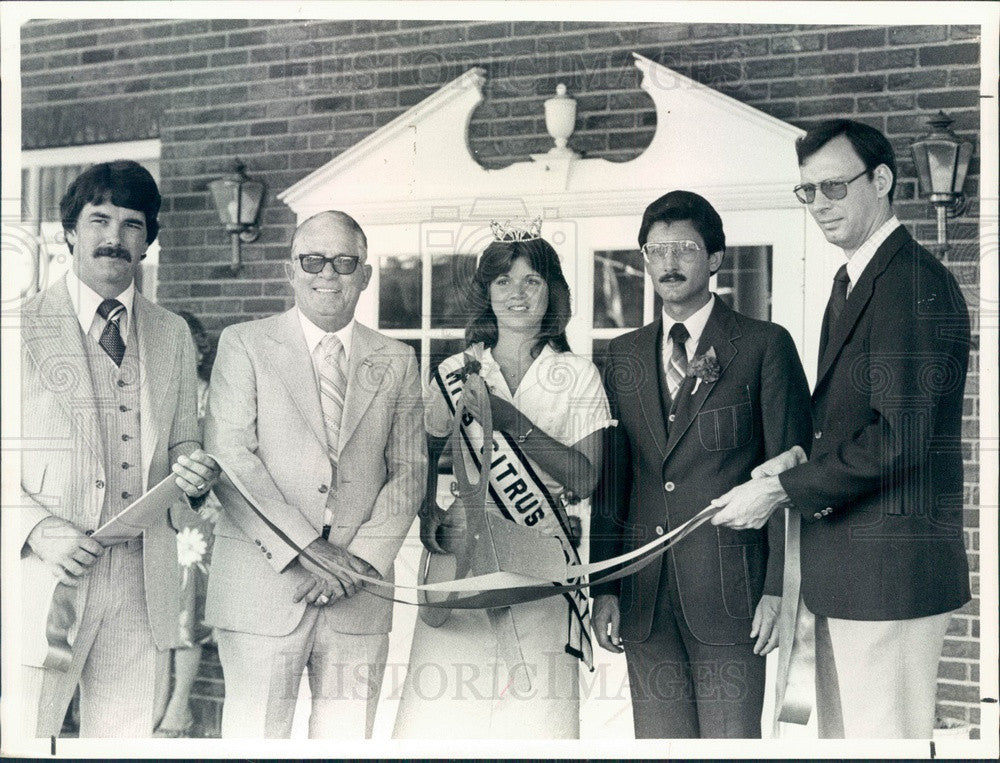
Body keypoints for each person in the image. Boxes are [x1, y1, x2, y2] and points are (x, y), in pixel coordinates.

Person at [710, 120, 971, 739]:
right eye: (808, 192)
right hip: (855, 578)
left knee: (886, 741)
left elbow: (901, 437)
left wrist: (784, 489)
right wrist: (797, 458)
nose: (819, 206)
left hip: (890, 578)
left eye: (833, 187)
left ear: (881, 181)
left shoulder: (909, 282)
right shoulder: (854, 278)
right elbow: (857, 421)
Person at [590, 190, 812, 738]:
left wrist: (780, 590)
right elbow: (613, 483)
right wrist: (606, 587)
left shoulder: (763, 345)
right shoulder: (621, 355)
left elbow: (793, 474)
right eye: (655, 249)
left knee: (730, 745)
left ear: (714, 259)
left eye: (685, 248)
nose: (669, 262)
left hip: (732, 598)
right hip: (643, 596)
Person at [203, 210, 426, 738]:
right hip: (264, 588)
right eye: (313, 260)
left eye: (345, 262)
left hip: (360, 592)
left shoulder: (397, 359)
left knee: (347, 742)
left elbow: (411, 471)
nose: (328, 273)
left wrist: (360, 562)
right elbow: (233, 461)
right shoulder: (244, 344)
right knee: (256, 742)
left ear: (365, 275)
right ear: (291, 270)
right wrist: (308, 549)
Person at [18, 160, 219, 738]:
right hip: (43, 576)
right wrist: (37, 530)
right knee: (24, 736)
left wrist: (196, 471)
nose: (114, 238)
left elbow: (184, 441)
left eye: (132, 225)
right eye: (99, 220)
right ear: (71, 233)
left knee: (124, 743)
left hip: (142, 579)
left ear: (148, 242)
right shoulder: (16, 328)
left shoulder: (172, 333)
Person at [392, 225, 614, 739]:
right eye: (503, 281)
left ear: (551, 292)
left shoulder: (578, 373)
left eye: (531, 281)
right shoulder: (458, 368)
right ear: (486, 293)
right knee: (443, 715)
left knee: (536, 718)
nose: (516, 293)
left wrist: (514, 423)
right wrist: (428, 509)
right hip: (461, 553)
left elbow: (585, 476)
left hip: (539, 550)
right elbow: (421, 448)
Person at [153, 311, 220, 737]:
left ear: (199, 352)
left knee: (187, 611)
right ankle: (155, 705)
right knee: (159, 610)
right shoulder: (157, 397)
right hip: (159, 514)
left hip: (199, 518)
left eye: (187, 348)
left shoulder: (212, 399)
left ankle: (180, 708)